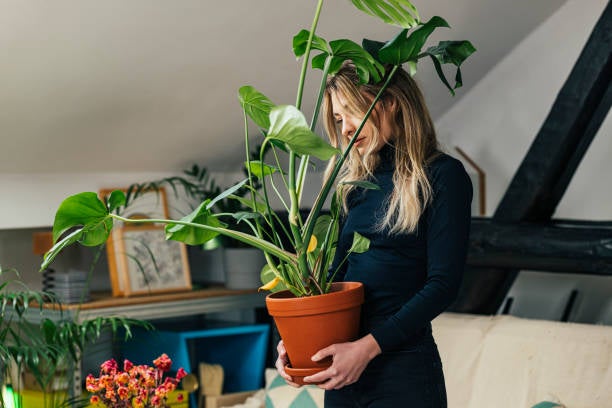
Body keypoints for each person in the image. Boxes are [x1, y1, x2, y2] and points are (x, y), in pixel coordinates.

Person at [275, 60, 473, 407]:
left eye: (351, 111)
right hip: (343, 375)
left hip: (403, 373)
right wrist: (298, 343)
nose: (346, 128)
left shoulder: (443, 176)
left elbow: (443, 286)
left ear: (390, 100)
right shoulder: (354, 185)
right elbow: (334, 282)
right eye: (338, 120)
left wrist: (366, 350)